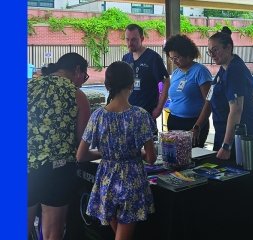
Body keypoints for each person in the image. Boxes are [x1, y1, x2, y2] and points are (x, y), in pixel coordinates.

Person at [76, 61, 157, 240]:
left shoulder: (98, 115)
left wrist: (105, 154)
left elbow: (81, 155)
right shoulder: (140, 115)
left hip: (106, 180)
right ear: (131, 84)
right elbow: (151, 158)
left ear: (107, 85)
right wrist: (138, 154)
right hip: (132, 180)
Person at [28, 52, 91, 239]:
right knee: (52, 233)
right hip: (58, 170)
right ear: (77, 70)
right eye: (84, 77)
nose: (82, 82)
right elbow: (82, 141)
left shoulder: (26, 86)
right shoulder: (77, 95)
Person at [197, 26, 253, 161]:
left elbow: (236, 110)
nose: (212, 55)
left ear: (228, 47)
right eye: (210, 52)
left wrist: (227, 146)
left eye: (215, 50)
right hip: (222, 131)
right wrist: (198, 126)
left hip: (239, 135)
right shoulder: (223, 70)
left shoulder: (235, 70)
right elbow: (210, 98)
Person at [163, 34, 212, 148]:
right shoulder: (176, 73)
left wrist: (197, 126)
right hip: (174, 121)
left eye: (177, 57)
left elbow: (209, 102)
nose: (174, 61)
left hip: (193, 123)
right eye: (171, 58)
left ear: (188, 54)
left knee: (192, 158)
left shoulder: (200, 71)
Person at [122, 23, 170, 125]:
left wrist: (159, 108)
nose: (130, 43)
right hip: (128, 112)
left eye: (134, 39)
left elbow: (166, 82)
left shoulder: (153, 58)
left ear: (142, 38)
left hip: (147, 113)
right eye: (127, 39)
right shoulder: (126, 58)